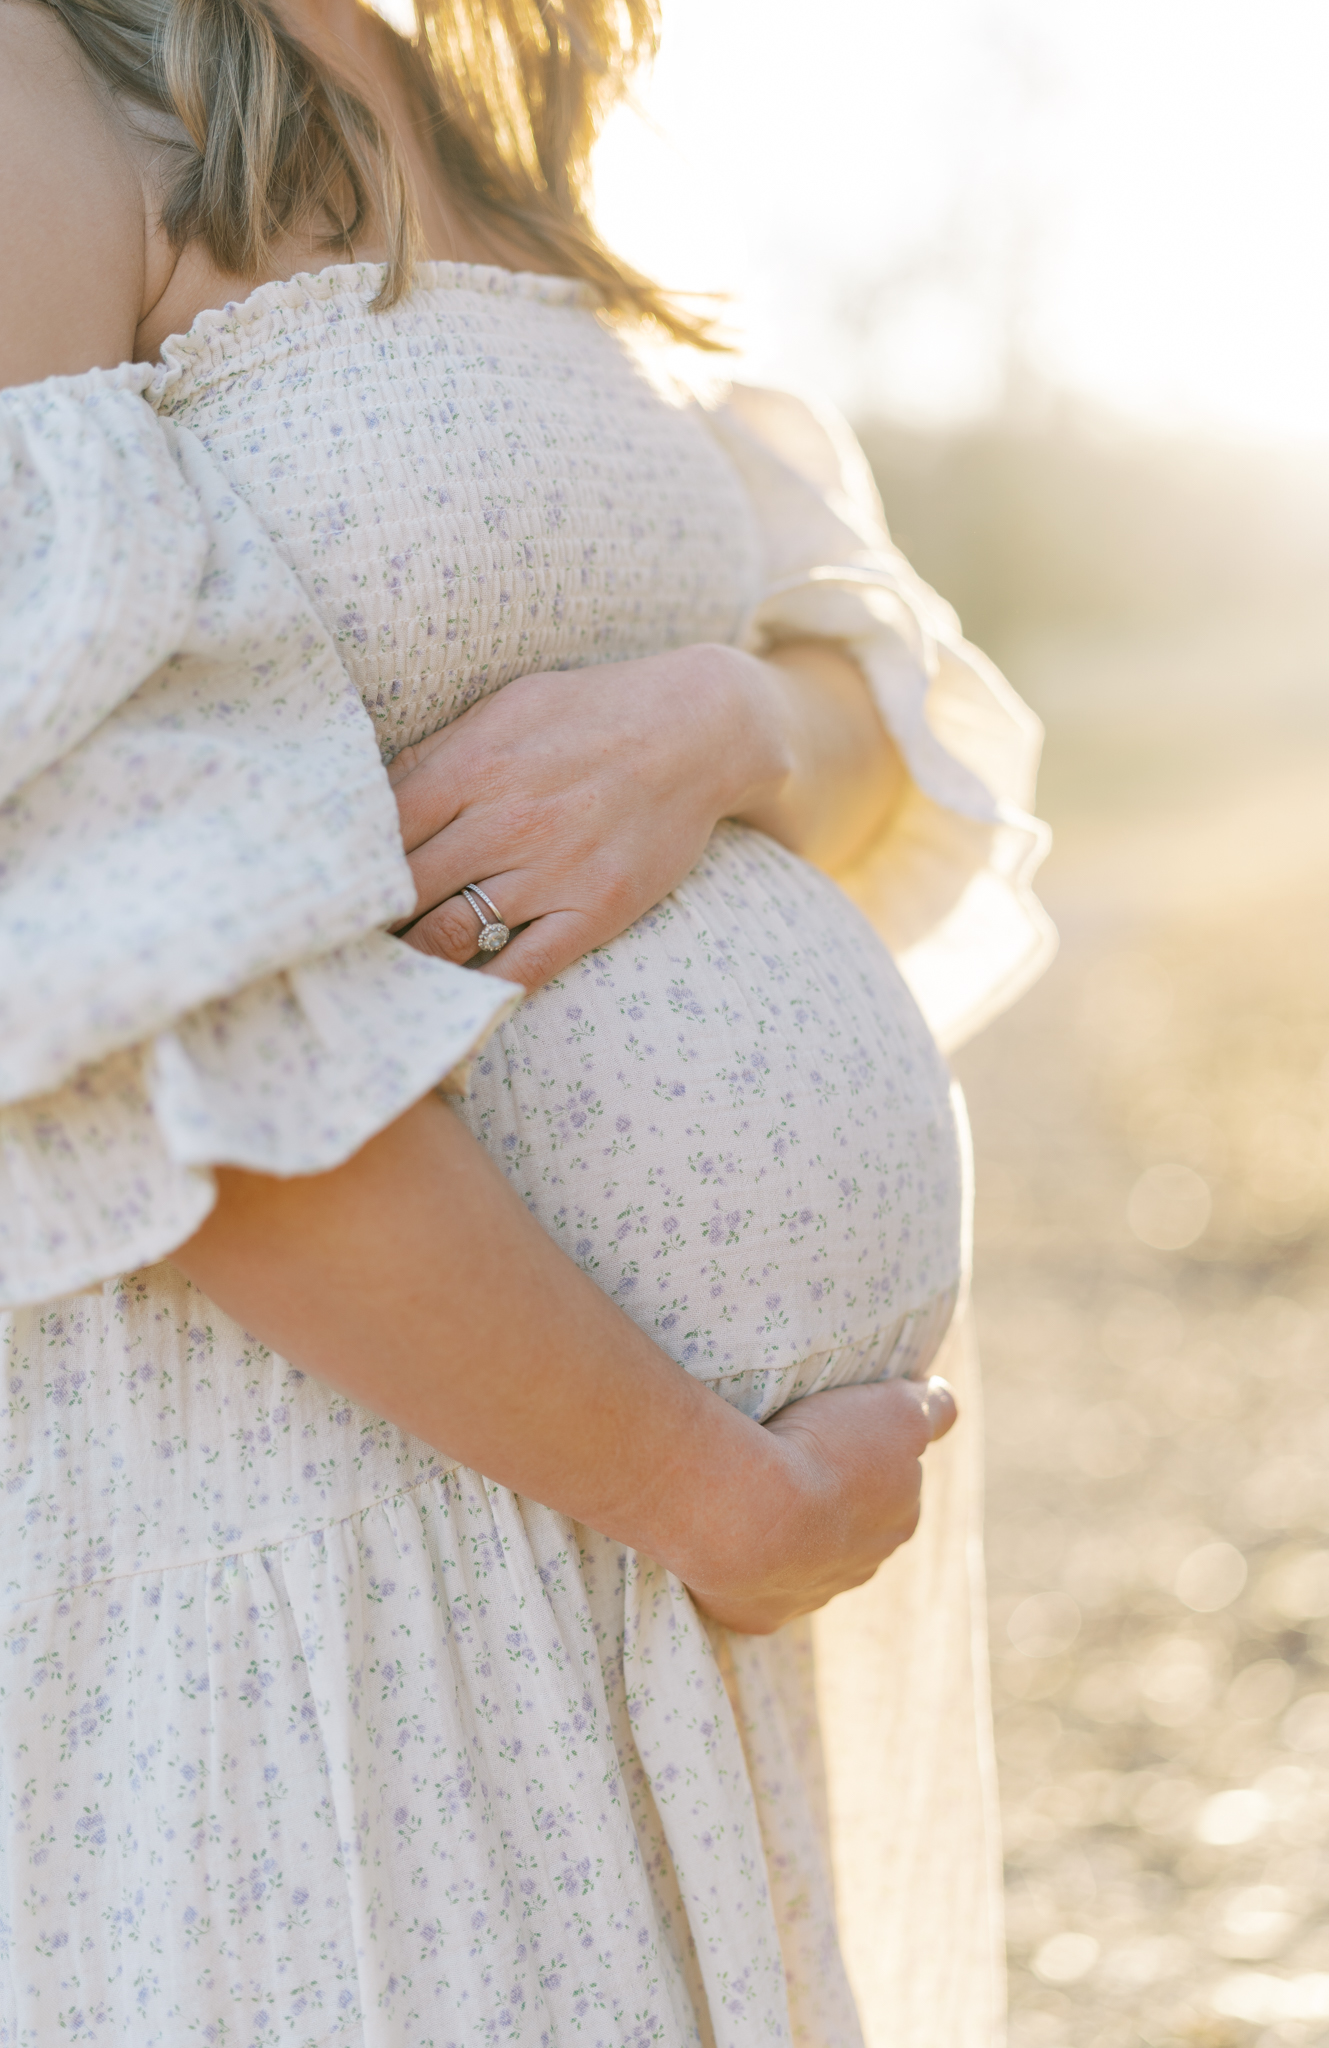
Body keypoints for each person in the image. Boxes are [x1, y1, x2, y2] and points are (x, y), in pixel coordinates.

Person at [0, 0, 1053, 2040]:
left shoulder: (493, 113)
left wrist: (723, 723)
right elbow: (99, 992)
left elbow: (872, 698)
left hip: (617, 1583)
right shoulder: (39, 74)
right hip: (319, 1585)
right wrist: (707, 1491)